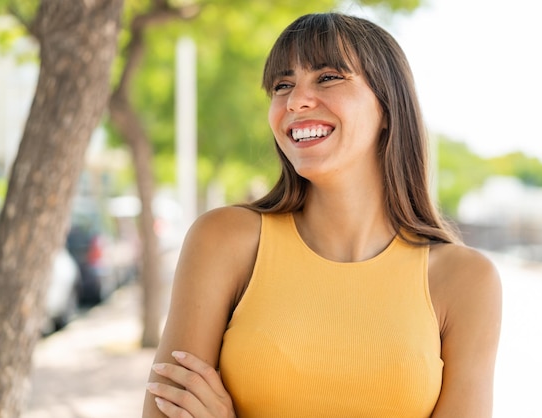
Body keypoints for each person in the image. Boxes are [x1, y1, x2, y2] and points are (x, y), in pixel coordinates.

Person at [142, 12, 502, 418]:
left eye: (328, 77)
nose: (295, 101)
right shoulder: (224, 240)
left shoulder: (466, 281)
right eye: (282, 85)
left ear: (388, 106)